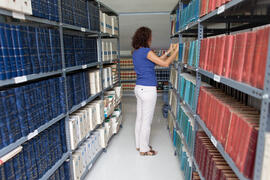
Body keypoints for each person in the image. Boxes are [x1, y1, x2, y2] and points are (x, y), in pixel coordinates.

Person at [132, 26, 179, 156]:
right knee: (146, 121)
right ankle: (145, 149)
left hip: (139, 89)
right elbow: (164, 64)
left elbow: (155, 62)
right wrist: (176, 52)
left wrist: (168, 51)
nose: (151, 39)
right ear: (146, 37)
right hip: (148, 90)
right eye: (150, 37)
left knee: (140, 119)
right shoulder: (147, 51)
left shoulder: (136, 52)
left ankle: (139, 145)